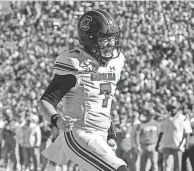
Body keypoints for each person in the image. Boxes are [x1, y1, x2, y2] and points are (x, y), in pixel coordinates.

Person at [39, 9, 128, 171]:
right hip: (80, 133)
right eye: (104, 39)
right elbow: (46, 101)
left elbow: (101, 103)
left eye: (112, 39)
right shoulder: (74, 63)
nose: (110, 44)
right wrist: (58, 121)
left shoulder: (116, 61)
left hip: (101, 136)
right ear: (90, 39)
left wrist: (110, 132)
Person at [155, 99, 192, 171]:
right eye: (171, 108)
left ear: (178, 109)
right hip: (167, 145)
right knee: (167, 167)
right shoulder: (166, 118)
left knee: (177, 167)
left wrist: (186, 144)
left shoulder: (183, 118)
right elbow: (162, 132)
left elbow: (187, 132)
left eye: (174, 108)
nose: (172, 109)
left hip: (178, 146)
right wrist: (158, 143)